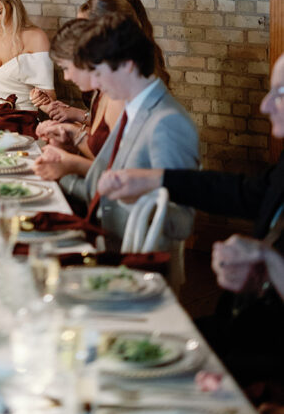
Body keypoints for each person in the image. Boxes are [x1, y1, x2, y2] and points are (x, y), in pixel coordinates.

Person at [98, 50, 284, 384]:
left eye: (281, 93)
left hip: (265, 364)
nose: (265, 105)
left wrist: (271, 264)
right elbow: (246, 193)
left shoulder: (166, 119)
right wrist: (157, 179)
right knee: (109, 349)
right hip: (238, 329)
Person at [45, 14, 199, 245]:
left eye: (98, 73)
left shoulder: (167, 122)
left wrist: (137, 196)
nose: (95, 84)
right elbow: (101, 189)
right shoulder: (134, 108)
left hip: (132, 259)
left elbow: (182, 223)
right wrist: (59, 174)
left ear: (127, 65)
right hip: (103, 236)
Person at [32, 0, 170, 118]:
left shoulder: (123, 89)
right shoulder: (109, 77)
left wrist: (75, 127)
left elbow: (106, 135)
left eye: (82, 29)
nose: (77, 37)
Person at [35, 19, 125, 178]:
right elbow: (100, 155)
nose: (66, 77)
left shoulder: (118, 99)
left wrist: (70, 164)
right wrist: (69, 135)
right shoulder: (102, 93)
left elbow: (118, 177)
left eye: (66, 68)